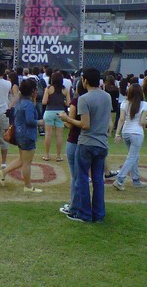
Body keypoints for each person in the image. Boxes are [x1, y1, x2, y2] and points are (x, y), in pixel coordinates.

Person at [58, 68, 112, 222]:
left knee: (81, 179)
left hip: (87, 143)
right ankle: (99, 214)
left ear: (85, 80)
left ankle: (84, 214)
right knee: (98, 180)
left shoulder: (84, 99)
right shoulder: (107, 97)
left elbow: (85, 124)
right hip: (102, 144)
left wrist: (66, 118)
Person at [0, 79, 44, 193]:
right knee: (27, 162)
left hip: (19, 134)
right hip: (27, 135)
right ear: (32, 91)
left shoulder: (19, 102)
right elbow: (29, 120)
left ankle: (3, 172)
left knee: (22, 159)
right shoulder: (28, 104)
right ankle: (27, 186)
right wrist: (39, 122)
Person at [59, 80, 87, 215]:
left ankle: (74, 207)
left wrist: (64, 118)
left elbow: (70, 125)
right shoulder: (92, 101)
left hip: (75, 140)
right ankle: (81, 204)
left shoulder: (77, 101)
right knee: (82, 175)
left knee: (76, 176)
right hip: (88, 140)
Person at [112, 84, 147, 191]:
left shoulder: (124, 103)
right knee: (132, 157)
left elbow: (121, 119)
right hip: (136, 133)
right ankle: (119, 180)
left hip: (126, 132)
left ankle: (136, 180)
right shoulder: (144, 104)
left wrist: (117, 134)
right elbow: (142, 122)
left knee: (134, 157)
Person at [42, 71, 71, 162]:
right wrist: (62, 101)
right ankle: (58, 156)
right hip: (60, 113)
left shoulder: (49, 88)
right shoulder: (65, 89)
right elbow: (68, 103)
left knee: (48, 134)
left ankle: (47, 155)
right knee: (59, 135)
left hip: (49, 111)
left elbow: (44, 102)